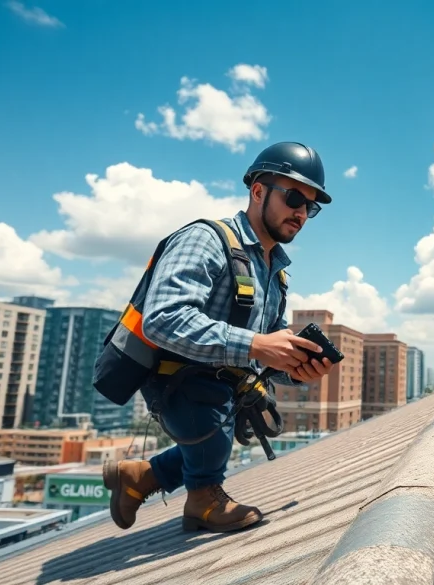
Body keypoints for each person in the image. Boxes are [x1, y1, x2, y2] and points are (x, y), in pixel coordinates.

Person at [102, 142, 337, 533]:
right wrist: (256, 345)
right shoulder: (205, 239)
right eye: (294, 196)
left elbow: (263, 354)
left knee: (229, 419)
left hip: (221, 388)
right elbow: (162, 318)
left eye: (310, 207)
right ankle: (202, 498)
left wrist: (295, 368)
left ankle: (140, 477)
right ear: (258, 191)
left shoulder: (276, 272)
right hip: (178, 380)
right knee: (210, 411)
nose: (301, 212)